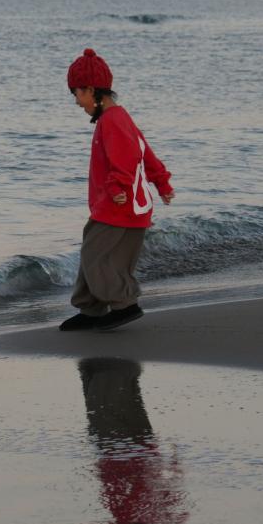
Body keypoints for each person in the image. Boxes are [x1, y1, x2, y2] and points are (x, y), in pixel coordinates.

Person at [61, 48, 174, 332]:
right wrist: (161, 182)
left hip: (119, 203)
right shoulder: (117, 117)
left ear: (91, 90)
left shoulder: (112, 121)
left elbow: (125, 157)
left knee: (94, 256)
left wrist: (118, 187)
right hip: (123, 203)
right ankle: (91, 310)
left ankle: (124, 304)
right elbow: (144, 150)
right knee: (98, 252)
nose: (76, 102)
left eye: (76, 94)